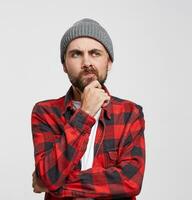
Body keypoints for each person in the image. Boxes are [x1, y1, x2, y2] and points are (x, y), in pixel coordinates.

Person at [31, 18, 146, 200]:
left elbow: (130, 181)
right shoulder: (45, 112)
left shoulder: (130, 113)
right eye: (76, 54)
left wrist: (56, 186)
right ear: (64, 65)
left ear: (109, 62)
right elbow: (49, 175)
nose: (86, 62)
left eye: (95, 53)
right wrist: (85, 113)